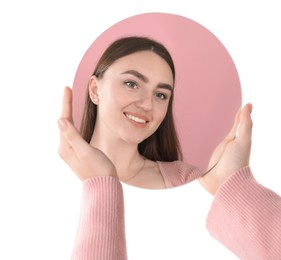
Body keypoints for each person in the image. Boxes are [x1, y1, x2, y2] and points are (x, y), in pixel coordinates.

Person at [58, 36, 281, 259]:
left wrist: (231, 183)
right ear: (95, 89)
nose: (147, 104)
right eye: (131, 84)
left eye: (160, 95)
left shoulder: (187, 178)